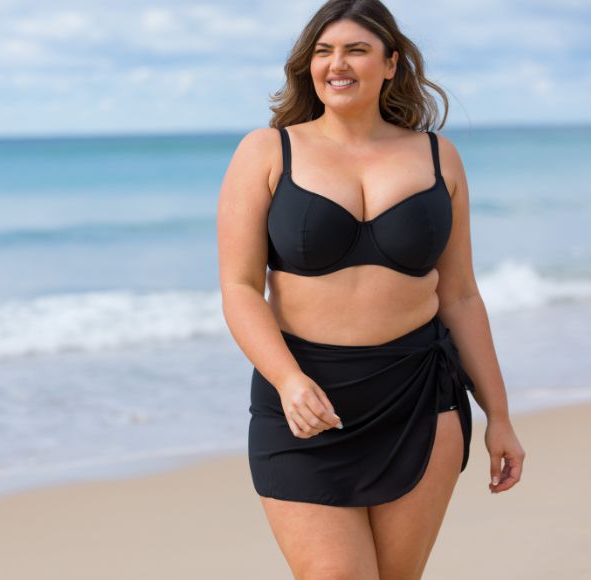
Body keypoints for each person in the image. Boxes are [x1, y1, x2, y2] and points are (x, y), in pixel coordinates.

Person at [216, 0, 526, 578]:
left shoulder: (438, 156)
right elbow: (238, 287)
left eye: (357, 49)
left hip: (417, 396)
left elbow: (459, 296)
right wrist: (287, 381)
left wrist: (499, 417)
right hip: (305, 403)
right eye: (324, 51)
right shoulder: (267, 150)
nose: (338, 64)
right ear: (307, 64)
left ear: (391, 64)